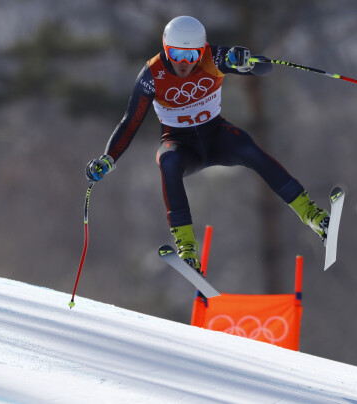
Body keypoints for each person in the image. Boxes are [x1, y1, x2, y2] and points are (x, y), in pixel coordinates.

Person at [86, 16, 329, 273]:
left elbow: (265, 68)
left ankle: (312, 216)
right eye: (176, 53)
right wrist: (108, 159)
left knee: (249, 149)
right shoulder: (152, 74)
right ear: (165, 47)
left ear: (201, 50)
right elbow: (130, 122)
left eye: (191, 56)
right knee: (168, 162)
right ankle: (188, 249)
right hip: (179, 144)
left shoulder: (214, 57)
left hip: (216, 136)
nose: (183, 63)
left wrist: (246, 62)